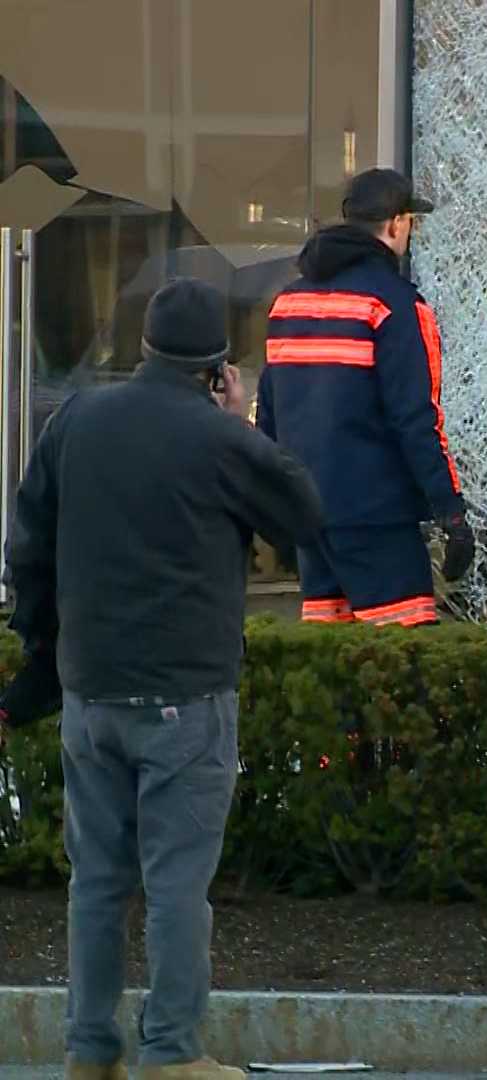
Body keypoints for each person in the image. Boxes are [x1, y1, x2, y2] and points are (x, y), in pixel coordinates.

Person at [0, 278, 327, 1080]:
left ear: (141, 348)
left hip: (90, 692)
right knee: (178, 886)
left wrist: (45, 656)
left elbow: (28, 547)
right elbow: (303, 515)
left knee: (96, 883)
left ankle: (88, 1051)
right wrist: (238, 421)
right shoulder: (217, 438)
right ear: (218, 367)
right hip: (187, 694)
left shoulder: (76, 419)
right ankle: (173, 1053)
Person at [258, 167, 473, 628]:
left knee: (336, 669)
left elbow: (271, 419)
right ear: (397, 225)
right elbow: (417, 420)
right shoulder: (395, 306)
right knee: (400, 669)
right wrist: (450, 513)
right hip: (377, 519)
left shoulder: (288, 303)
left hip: (311, 519)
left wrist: (278, 506)